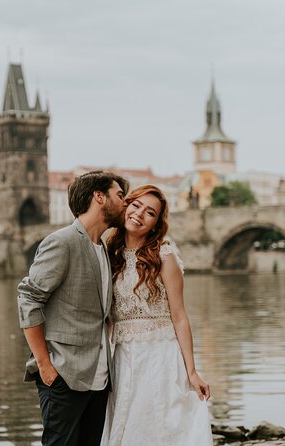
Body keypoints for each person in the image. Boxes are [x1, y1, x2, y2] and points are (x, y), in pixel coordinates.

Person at [18, 170, 129, 446]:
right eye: (120, 195)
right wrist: (45, 365)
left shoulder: (102, 247)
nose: (125, 202)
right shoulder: (62, 242)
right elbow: (29, 300)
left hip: (99, 379)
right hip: (63, 376)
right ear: (99, 197)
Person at [100, 184, 212, 446]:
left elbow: (180, 317)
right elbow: (107, 318)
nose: (139, 214)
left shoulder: (164, 255)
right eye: (136, 205)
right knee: (125, 425)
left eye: (150, 213)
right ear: (126, 205)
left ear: (155, 223)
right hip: (122, 357)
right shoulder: (109, 252)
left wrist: (192, 371)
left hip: (160, 355)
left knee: (159, 425)